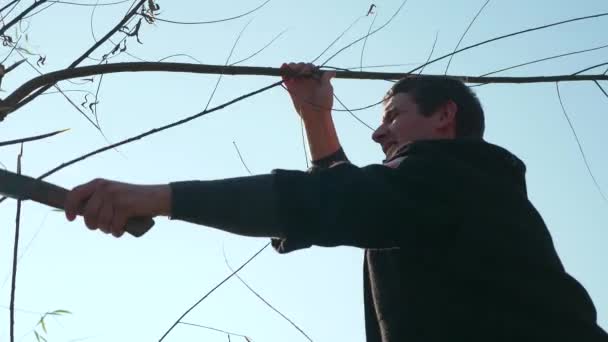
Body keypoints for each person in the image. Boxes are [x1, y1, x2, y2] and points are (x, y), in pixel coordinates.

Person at [64, 63, 608, 342]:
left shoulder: (458, 174)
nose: (378, 133)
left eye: (393, 115)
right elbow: (357, 198)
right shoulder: (445, 194)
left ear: (445, 115)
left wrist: (155, 198)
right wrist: (316, 116)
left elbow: (335, 199)